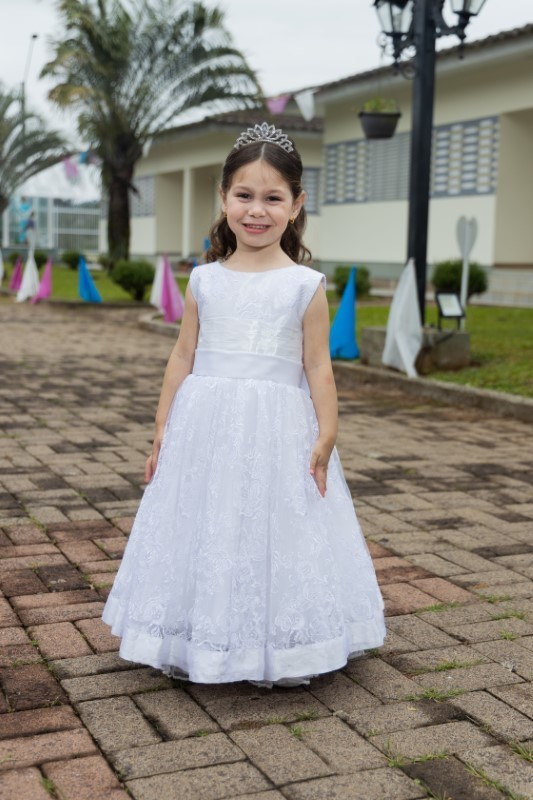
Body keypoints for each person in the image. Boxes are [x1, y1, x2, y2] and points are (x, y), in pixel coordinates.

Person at [102, 122, 386, 686]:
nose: (257, 210)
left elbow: (318, 366)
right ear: (224, 198)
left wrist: (327, 432)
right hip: (204, 425)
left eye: (273, 198)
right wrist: (163, 424)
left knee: (273, 522)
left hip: (277, 428)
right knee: (206, 518)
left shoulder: (304, 284)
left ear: (297, 204)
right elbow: (183, 355)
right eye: (245, 195)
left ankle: (279, 640)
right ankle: (200, 630)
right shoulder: (204, 280)